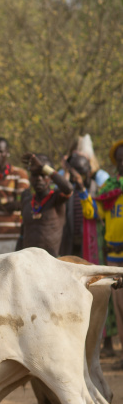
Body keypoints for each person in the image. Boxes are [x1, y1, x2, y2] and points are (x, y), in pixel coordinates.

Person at [79, 139, 123, 369]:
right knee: (119, 306)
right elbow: (92, 211)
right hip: (115, 255)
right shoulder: (110, 189)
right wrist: (84, 194)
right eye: (121, 159)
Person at [18, 153, 73, 257]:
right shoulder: (26, 200)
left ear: (50, 178)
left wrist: (43, 167)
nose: (39, 178)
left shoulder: (57, 199)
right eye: (35, 174)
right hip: (28, 262)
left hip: (52, 262)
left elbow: (68, 188)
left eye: (43, 174)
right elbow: (21, 235)